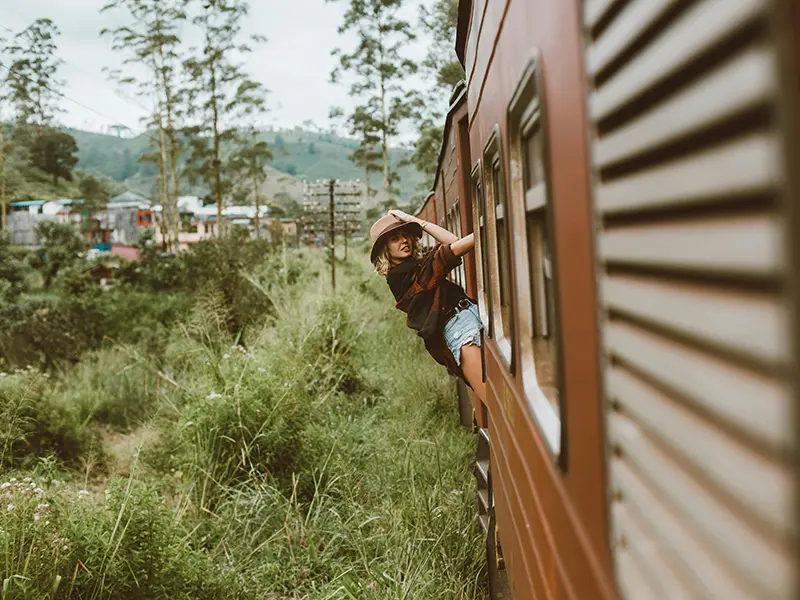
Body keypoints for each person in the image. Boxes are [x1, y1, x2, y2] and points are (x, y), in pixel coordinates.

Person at [369, 206, 485, 402]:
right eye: (395, 239)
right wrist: (487, 229)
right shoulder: (398, 276)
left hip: (473, 312)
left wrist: (415, 221)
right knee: (496, 400)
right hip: (460, 331)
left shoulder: (419, 264)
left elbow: (452, 242)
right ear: (385, 249)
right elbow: (453, 248)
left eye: (406, 234)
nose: (404, 240)